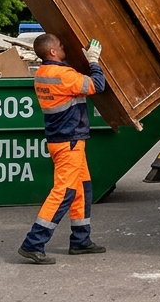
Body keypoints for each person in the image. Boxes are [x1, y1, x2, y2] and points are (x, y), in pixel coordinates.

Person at [16, 34, 108, 265]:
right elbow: (97, 85)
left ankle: (80, 240)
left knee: (81, 189)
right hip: (69, 142)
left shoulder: (43, 74)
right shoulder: (62, 75)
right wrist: (94, 61)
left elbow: (72, 79)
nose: (63, 45)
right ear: (53, 53)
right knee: (64, 192)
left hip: (62, 140)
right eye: (60, 44)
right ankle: (33, 243)